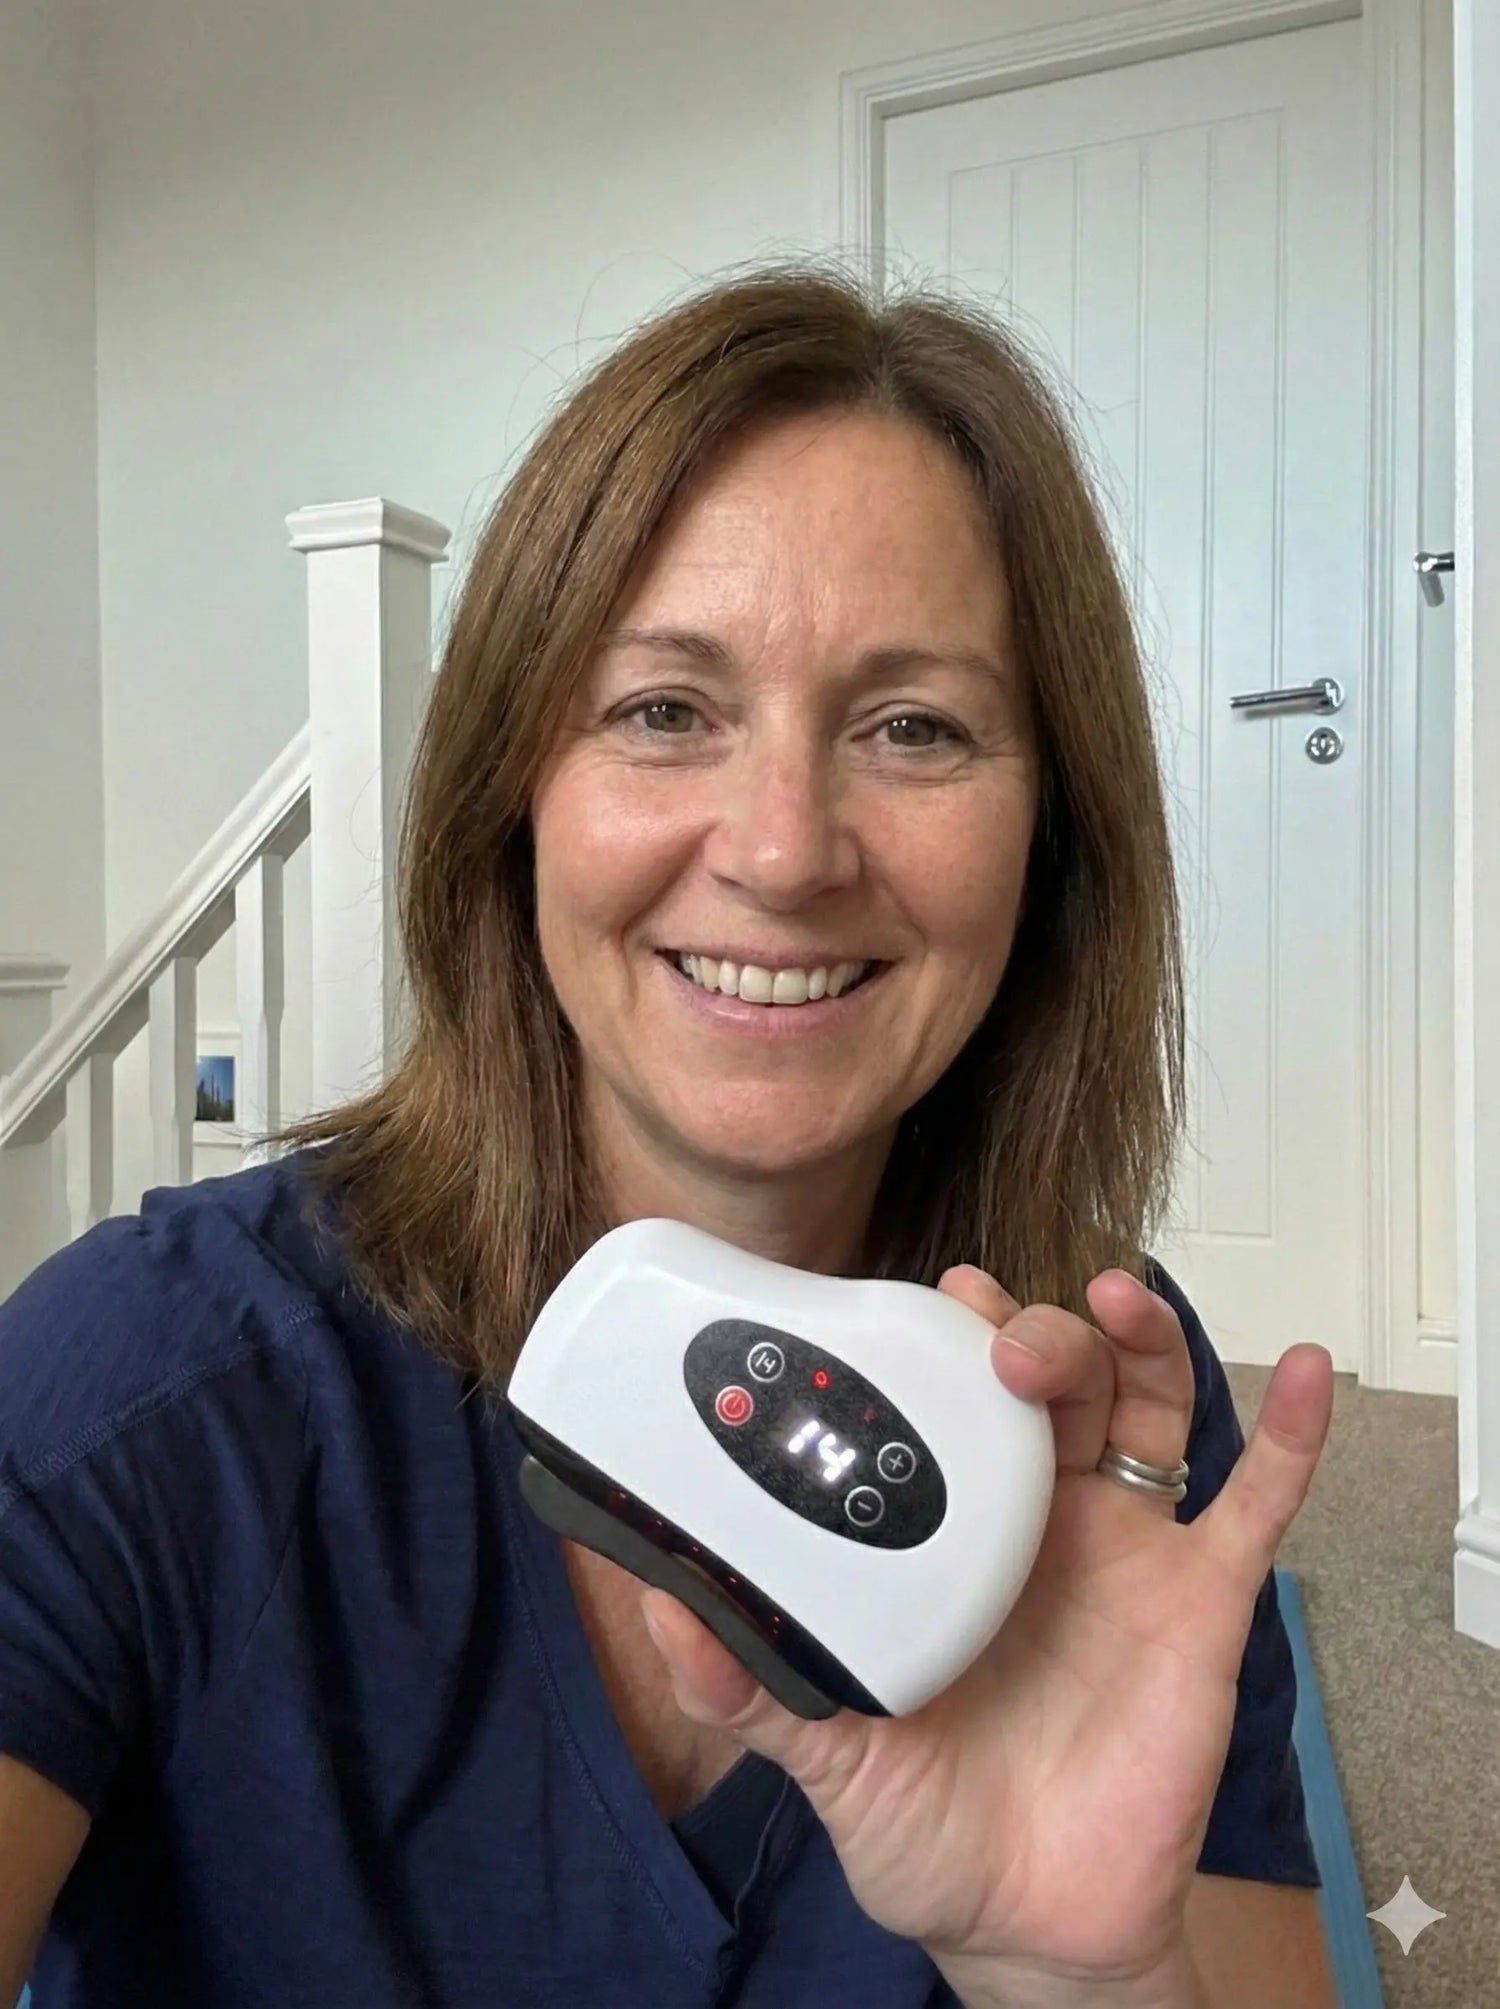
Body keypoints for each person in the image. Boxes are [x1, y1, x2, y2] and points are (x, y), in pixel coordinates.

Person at [0, 264, 1337, 2008]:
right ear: (513, 798)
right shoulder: (141, 1383)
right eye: (663, 711)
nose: (783, 851)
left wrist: (1084, 1975)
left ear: (1052, 841)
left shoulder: (1093, 1417)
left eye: (913, 727)